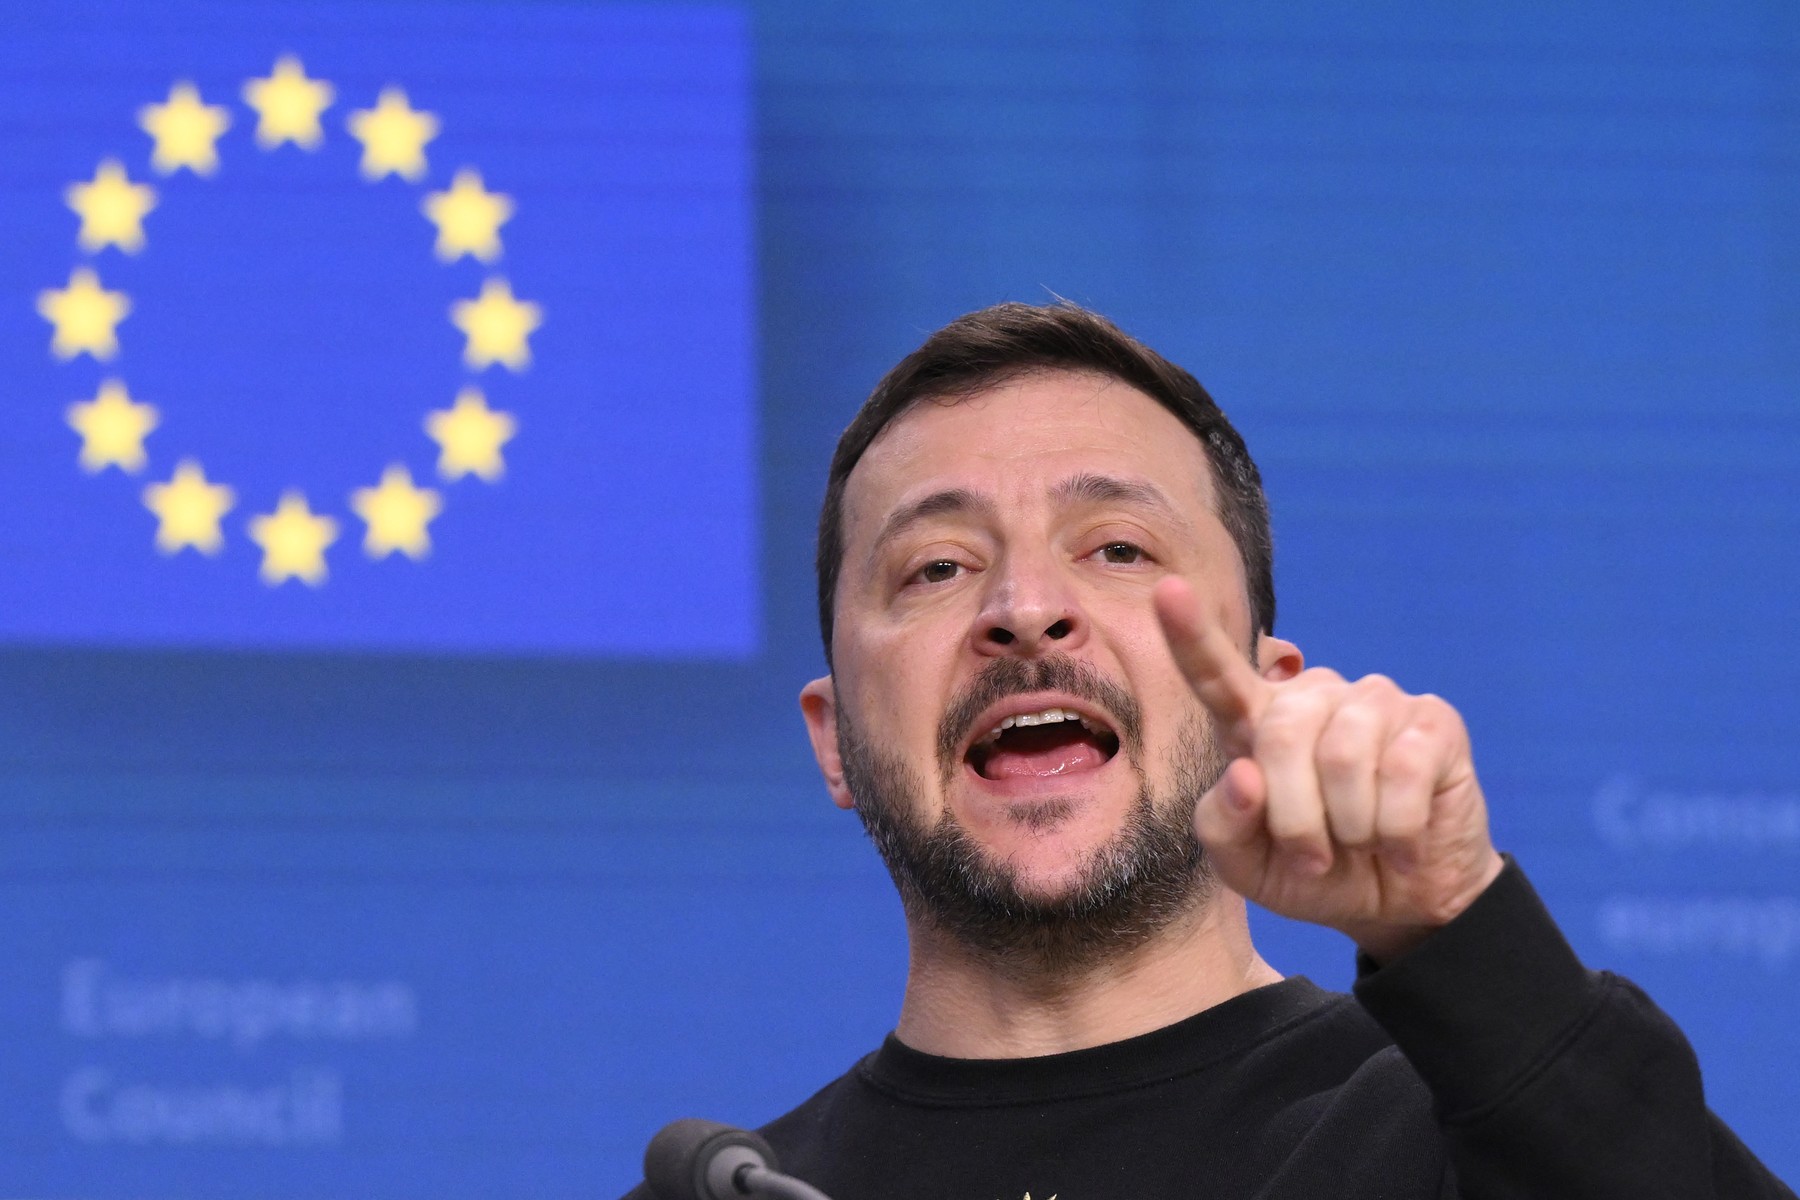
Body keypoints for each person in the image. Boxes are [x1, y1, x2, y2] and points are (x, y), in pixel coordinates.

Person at [633, 303, 1796, 1199]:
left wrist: (1459, 929)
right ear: (834, 742)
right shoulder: (727, 1189)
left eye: (1120, 549)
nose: (1025, 606)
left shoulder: (1466, 1140)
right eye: (936, 567)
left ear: (1267, 701)